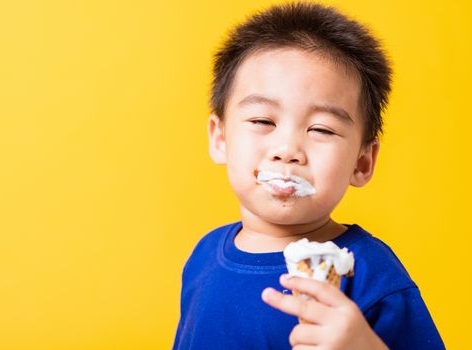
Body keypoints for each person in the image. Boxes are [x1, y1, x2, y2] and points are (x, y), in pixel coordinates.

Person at [173, 2, 445, 349]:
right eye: (262, 121)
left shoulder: (371, 277)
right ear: (220, 138)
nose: (287, 149)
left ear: (361, 163)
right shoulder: (203, 256)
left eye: (321, 129)